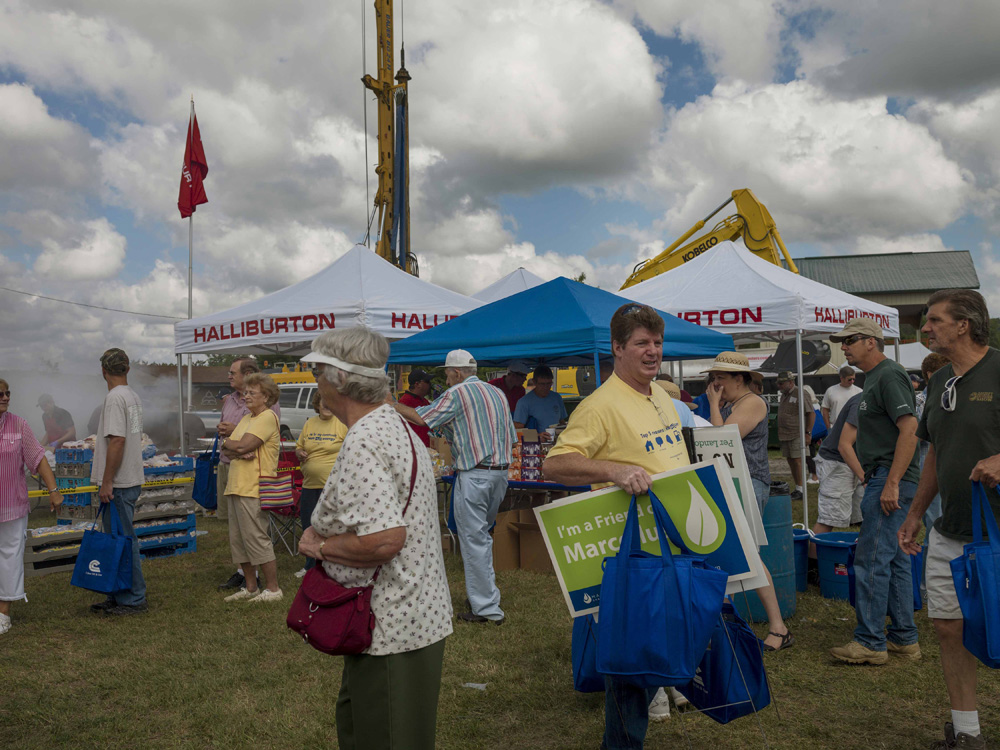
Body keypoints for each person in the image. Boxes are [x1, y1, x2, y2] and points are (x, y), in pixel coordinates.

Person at [544, 302, 690, 750]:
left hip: (668, 546)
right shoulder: (600, 405)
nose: (652, 352)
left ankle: (658, 700)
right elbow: (557, 464)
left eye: (658, 343)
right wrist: (614, 470)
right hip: (630, 554)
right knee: (631, 661)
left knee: (656, 647)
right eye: (641, 344)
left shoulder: (660, 394)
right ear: (617, 348)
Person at [299, 328, 452, 750]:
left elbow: (385, 540)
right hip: (412, 614)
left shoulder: (366, 437)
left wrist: (319, 546)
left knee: (383, 736)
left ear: (340, 379)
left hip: (388, 623)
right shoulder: (394, 423)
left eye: (317, 372)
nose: (316, 382)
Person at [898, 289, 998, 749]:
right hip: (950, 529)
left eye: (935, 320)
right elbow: (935, 451)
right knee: (947, 625)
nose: (926, 328)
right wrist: (916, 512)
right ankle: (967, 733)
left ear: (964, 325)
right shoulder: (939, 383)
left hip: (997, 533)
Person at [394, 349, 516, 625]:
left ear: (457, 373)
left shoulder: (458, 393)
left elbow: (422, 418)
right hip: (499, 473)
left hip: (475, 474)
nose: (446, 379)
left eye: (448, 374)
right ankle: (484, 597)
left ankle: (486, 608)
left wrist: (391, 404)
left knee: (475, 542)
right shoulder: (496, 393)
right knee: (482, 538)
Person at [828, 318, 920, 665]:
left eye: (849, 340)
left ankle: (869, 641)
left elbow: (910, 428)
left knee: (871, 560)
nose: (844, 347)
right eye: (843, 341)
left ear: (871, 341)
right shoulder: (877, 379)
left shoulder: (889, 374)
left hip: (889, 477)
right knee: (894, 560)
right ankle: (903, 638)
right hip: (885, 475)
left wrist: (892, 481)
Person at [704, 352, 794, 652]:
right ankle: (740, 626)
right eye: (713, 378)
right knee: (740, 553)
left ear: (739, 379)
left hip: (750, 484)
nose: (715, 383)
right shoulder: (737, 404)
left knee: (747, 555)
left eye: (721, 378)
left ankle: (778, 627)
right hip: (738, 483)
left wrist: (714, 406)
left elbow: (721, 439)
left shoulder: (752, 402)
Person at [89, 348, 149, 617]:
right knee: (119, 540)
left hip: (120, 482)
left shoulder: (114, 399)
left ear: (103, 371)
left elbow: (118, 440)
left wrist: (107, 481)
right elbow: (131, 435)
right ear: (127, 369)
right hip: (130, 477)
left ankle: (133, 599)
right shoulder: (132, 396)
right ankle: (119, 592)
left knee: (123, 541)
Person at [0, 380, 62, 635]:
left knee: (9, 557)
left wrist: (54, 490)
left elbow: (38, 458)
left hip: (12, 505)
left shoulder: (19, 425)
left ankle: (3, 613)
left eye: (7, 393)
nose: (5, 397)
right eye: (0, 394)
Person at [216, 358, 280, 591]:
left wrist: (238, 448)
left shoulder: (267, 417)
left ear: (266, 397)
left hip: (254, 486)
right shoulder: (246, 419)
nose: (247, 396)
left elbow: (242, 446)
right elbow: (227, 446)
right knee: (239, 542)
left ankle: (273, 588)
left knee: (257, 539)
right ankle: (250, 587)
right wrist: (236, 447)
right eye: (247, 392)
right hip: (235, 485)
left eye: (253, 393)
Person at [294, 390, 347, 577]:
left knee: (331, 525)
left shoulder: (342, 424)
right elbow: (299, 447)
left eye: (330, 402)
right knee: (309, 524)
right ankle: (310, 565)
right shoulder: (309, 423)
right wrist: (299, 453)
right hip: (309, 484)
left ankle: (332, 564)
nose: (326, 406)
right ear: (317, 404)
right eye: (323, 402)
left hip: (333, 488)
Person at [812, 392, 864, 540]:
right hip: (837, 462)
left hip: (852, 462)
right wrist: (864, 478)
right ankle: (814, 562)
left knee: (862, 516)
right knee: (828, 519)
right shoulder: (862, 402)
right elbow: (844, 446)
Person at [915, 352, 950, 535]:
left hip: (948, 462)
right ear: (929, 374)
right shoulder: (921, 401)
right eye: (944, 371)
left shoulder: (950, 397)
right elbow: (915, 437)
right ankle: (931, 559)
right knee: (934, 520)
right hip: (927, 464)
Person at [776, 371, 815, 501]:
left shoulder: (801, 393)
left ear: (791, 382)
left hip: (797, 433)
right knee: (791, 461)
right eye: (778, 383)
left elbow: (811, 413)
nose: (779, 386)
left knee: (798, 461)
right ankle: (798, 488)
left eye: (782, 383)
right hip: (785, 434)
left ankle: (801, 489)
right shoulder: (784, 395)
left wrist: (808, 433)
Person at [513, 365, 568, 438]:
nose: (546, 387)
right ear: (534, 382)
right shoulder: (524, 402)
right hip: (534, 445)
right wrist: (537, 436)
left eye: (549, 384)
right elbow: (517, 431)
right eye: (542, 384)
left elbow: (562, 422)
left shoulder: (557, 397)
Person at [397, 368, 433, 447]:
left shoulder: (424, 401)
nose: (430, 384)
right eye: (427, 381)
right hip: (415, 449)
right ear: (417, 384)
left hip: (428, 449)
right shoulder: (404, 403)